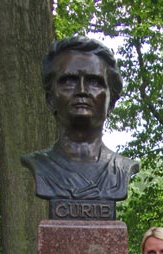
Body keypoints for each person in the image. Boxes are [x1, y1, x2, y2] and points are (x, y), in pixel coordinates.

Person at [21, 35, 139, 201]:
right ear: (50, 100)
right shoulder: (40, 165)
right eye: (69, 80)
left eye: (94, 82)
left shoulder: (120, 169)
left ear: (111, 103)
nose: (82, 90)